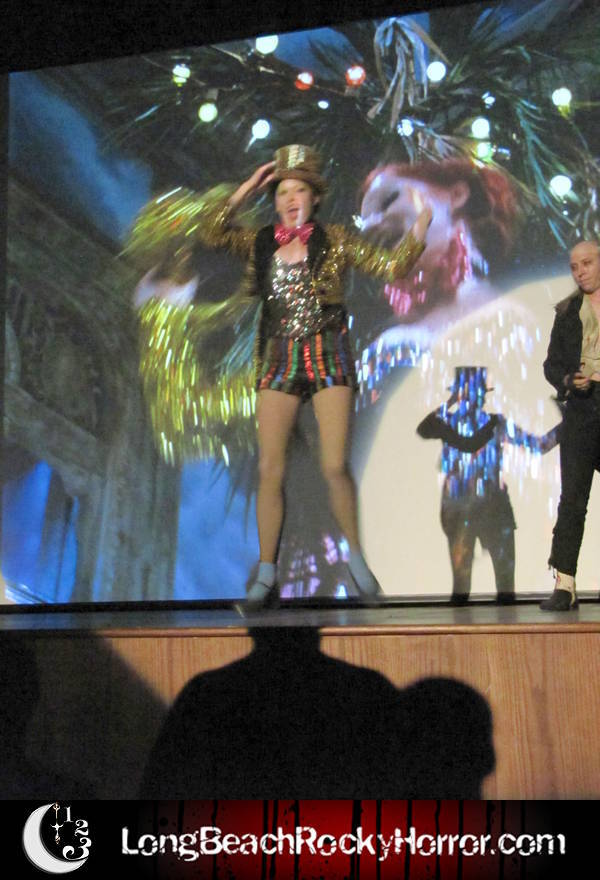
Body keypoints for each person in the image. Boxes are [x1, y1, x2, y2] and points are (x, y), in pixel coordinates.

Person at [129, 145, 431, 611]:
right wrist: (246, 191)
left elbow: (393, 267)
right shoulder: (263, 242)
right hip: (279, 363)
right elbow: (212, 230)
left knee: (334, 468)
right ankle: (266, 577)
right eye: (283, 192)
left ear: (315, 198)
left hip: (327, 361)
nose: (291, 199)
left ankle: (359, 565)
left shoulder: (336, 241)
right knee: (271, 470)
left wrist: (421, 225)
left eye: (300, 191)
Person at [417, 366, 561, 604]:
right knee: (473, 585)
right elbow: (540, 445)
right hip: (473, 509)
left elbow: (539, 446)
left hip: (485, 509)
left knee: (488, 586)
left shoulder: (460, 422)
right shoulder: (461, 422)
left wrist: (568, 426)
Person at [540, 239, 600, 611]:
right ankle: (565, 584)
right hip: (582, 408)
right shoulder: (567, 313)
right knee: (573, 499)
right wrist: (567, 380)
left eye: (587, 263)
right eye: (574, 267)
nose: (580, 272)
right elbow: (551, 365)